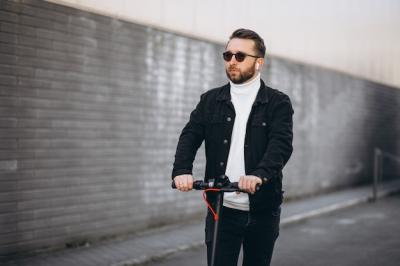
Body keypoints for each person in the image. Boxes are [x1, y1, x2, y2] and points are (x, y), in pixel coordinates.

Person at [171, 28, 294, 266]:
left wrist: (259, 175)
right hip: (221, 210)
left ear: (259, 63)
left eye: (240, 56)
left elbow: (281, 144)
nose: (232, 61)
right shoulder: (210, 100)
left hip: (262, 211)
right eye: (227, 55)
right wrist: (181, 170)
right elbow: (190, 135)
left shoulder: (277, 102)